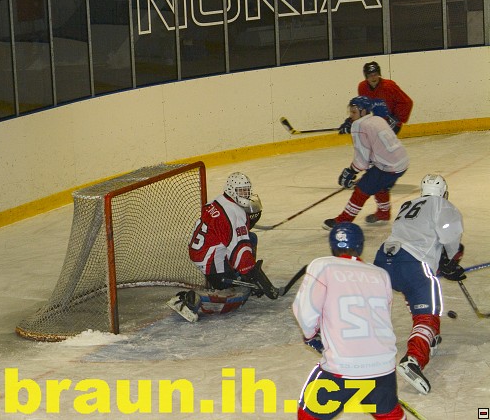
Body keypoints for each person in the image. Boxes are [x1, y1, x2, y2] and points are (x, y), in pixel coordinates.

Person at [293, 223, 404, 419]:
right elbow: (381, 316)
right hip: (383, 365)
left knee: (308, 415)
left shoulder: (323, 266)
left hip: (342, 366)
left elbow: (305, 312)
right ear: (360, 245)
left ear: (332, 246)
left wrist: (310, 336)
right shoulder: (380, 274)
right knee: (389, 414)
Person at [374, 174, 465, 395]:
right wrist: (452, 261)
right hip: (413, 263)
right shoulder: (442, 205)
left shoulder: (409, 204)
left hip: (383, 260)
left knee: (413, 292)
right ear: (443, 192)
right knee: (428, 314)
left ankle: (429, 338)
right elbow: (451, 237)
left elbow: (416, 233)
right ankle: (413, 359)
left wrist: (442, 263)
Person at [167, 172, 280, 322]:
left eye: (246, 190)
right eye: (241, 191)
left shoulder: (218, 201)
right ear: (231, 190)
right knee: (240, 295)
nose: (245, 195)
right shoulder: (235, 213)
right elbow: (240, 250)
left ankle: (237, 276)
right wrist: (253, 276)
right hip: (211, 260)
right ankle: (192, 299)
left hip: (200, 250)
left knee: (251, 237)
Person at [324, 96, 409, 230]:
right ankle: (384, 213)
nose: (351, 116)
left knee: (361, 189)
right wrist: (352, 127)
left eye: (354, 112)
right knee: (379, 185)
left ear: (363, 111)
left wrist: (351, 171)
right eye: (350, 112)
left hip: (388, 166)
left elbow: (362, 159)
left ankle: (343, 220)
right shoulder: (377, 118)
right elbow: (373, 143)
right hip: (401, 162)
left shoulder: (358, 126)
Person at [357, 61, 413, 134]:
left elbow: (407, 102)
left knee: (380, 139)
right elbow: (364, 107)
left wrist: (396, 118)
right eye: (370, 75)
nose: (373, 77)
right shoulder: (362, 87)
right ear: (366, 77)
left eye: (375, 74)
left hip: (392, 122)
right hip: (378, 122)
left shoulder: (389, 86)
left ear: (379, 74)